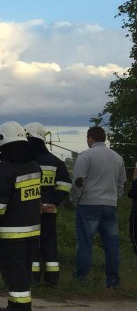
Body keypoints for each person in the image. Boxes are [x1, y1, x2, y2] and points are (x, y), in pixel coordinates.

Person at [0, 122, 41, 311]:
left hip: (12, 230)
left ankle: (19, 308)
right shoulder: (34, 166)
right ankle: (20, 303)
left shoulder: (5, 169)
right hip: (33, 229)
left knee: (12, 267)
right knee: (24, 267)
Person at [70, 126, 126, 288]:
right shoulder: (117, 158)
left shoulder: (85, 156)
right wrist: (114, 197)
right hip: (110, 205)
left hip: (88, 204)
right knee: (111, 244)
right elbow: (122, 182)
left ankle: (82, 277)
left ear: (90, 138)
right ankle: (113, 281)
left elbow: (78, 181)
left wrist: (75, 200)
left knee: (85, 241)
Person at [23, 122, 71, 287]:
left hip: (29, 211)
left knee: (31, 243)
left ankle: (33, 278)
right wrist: (53, 202)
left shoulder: (25, 161)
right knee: (49, 243)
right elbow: (65, 184)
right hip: (50, 210)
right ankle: (52, 280)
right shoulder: (56, 161)